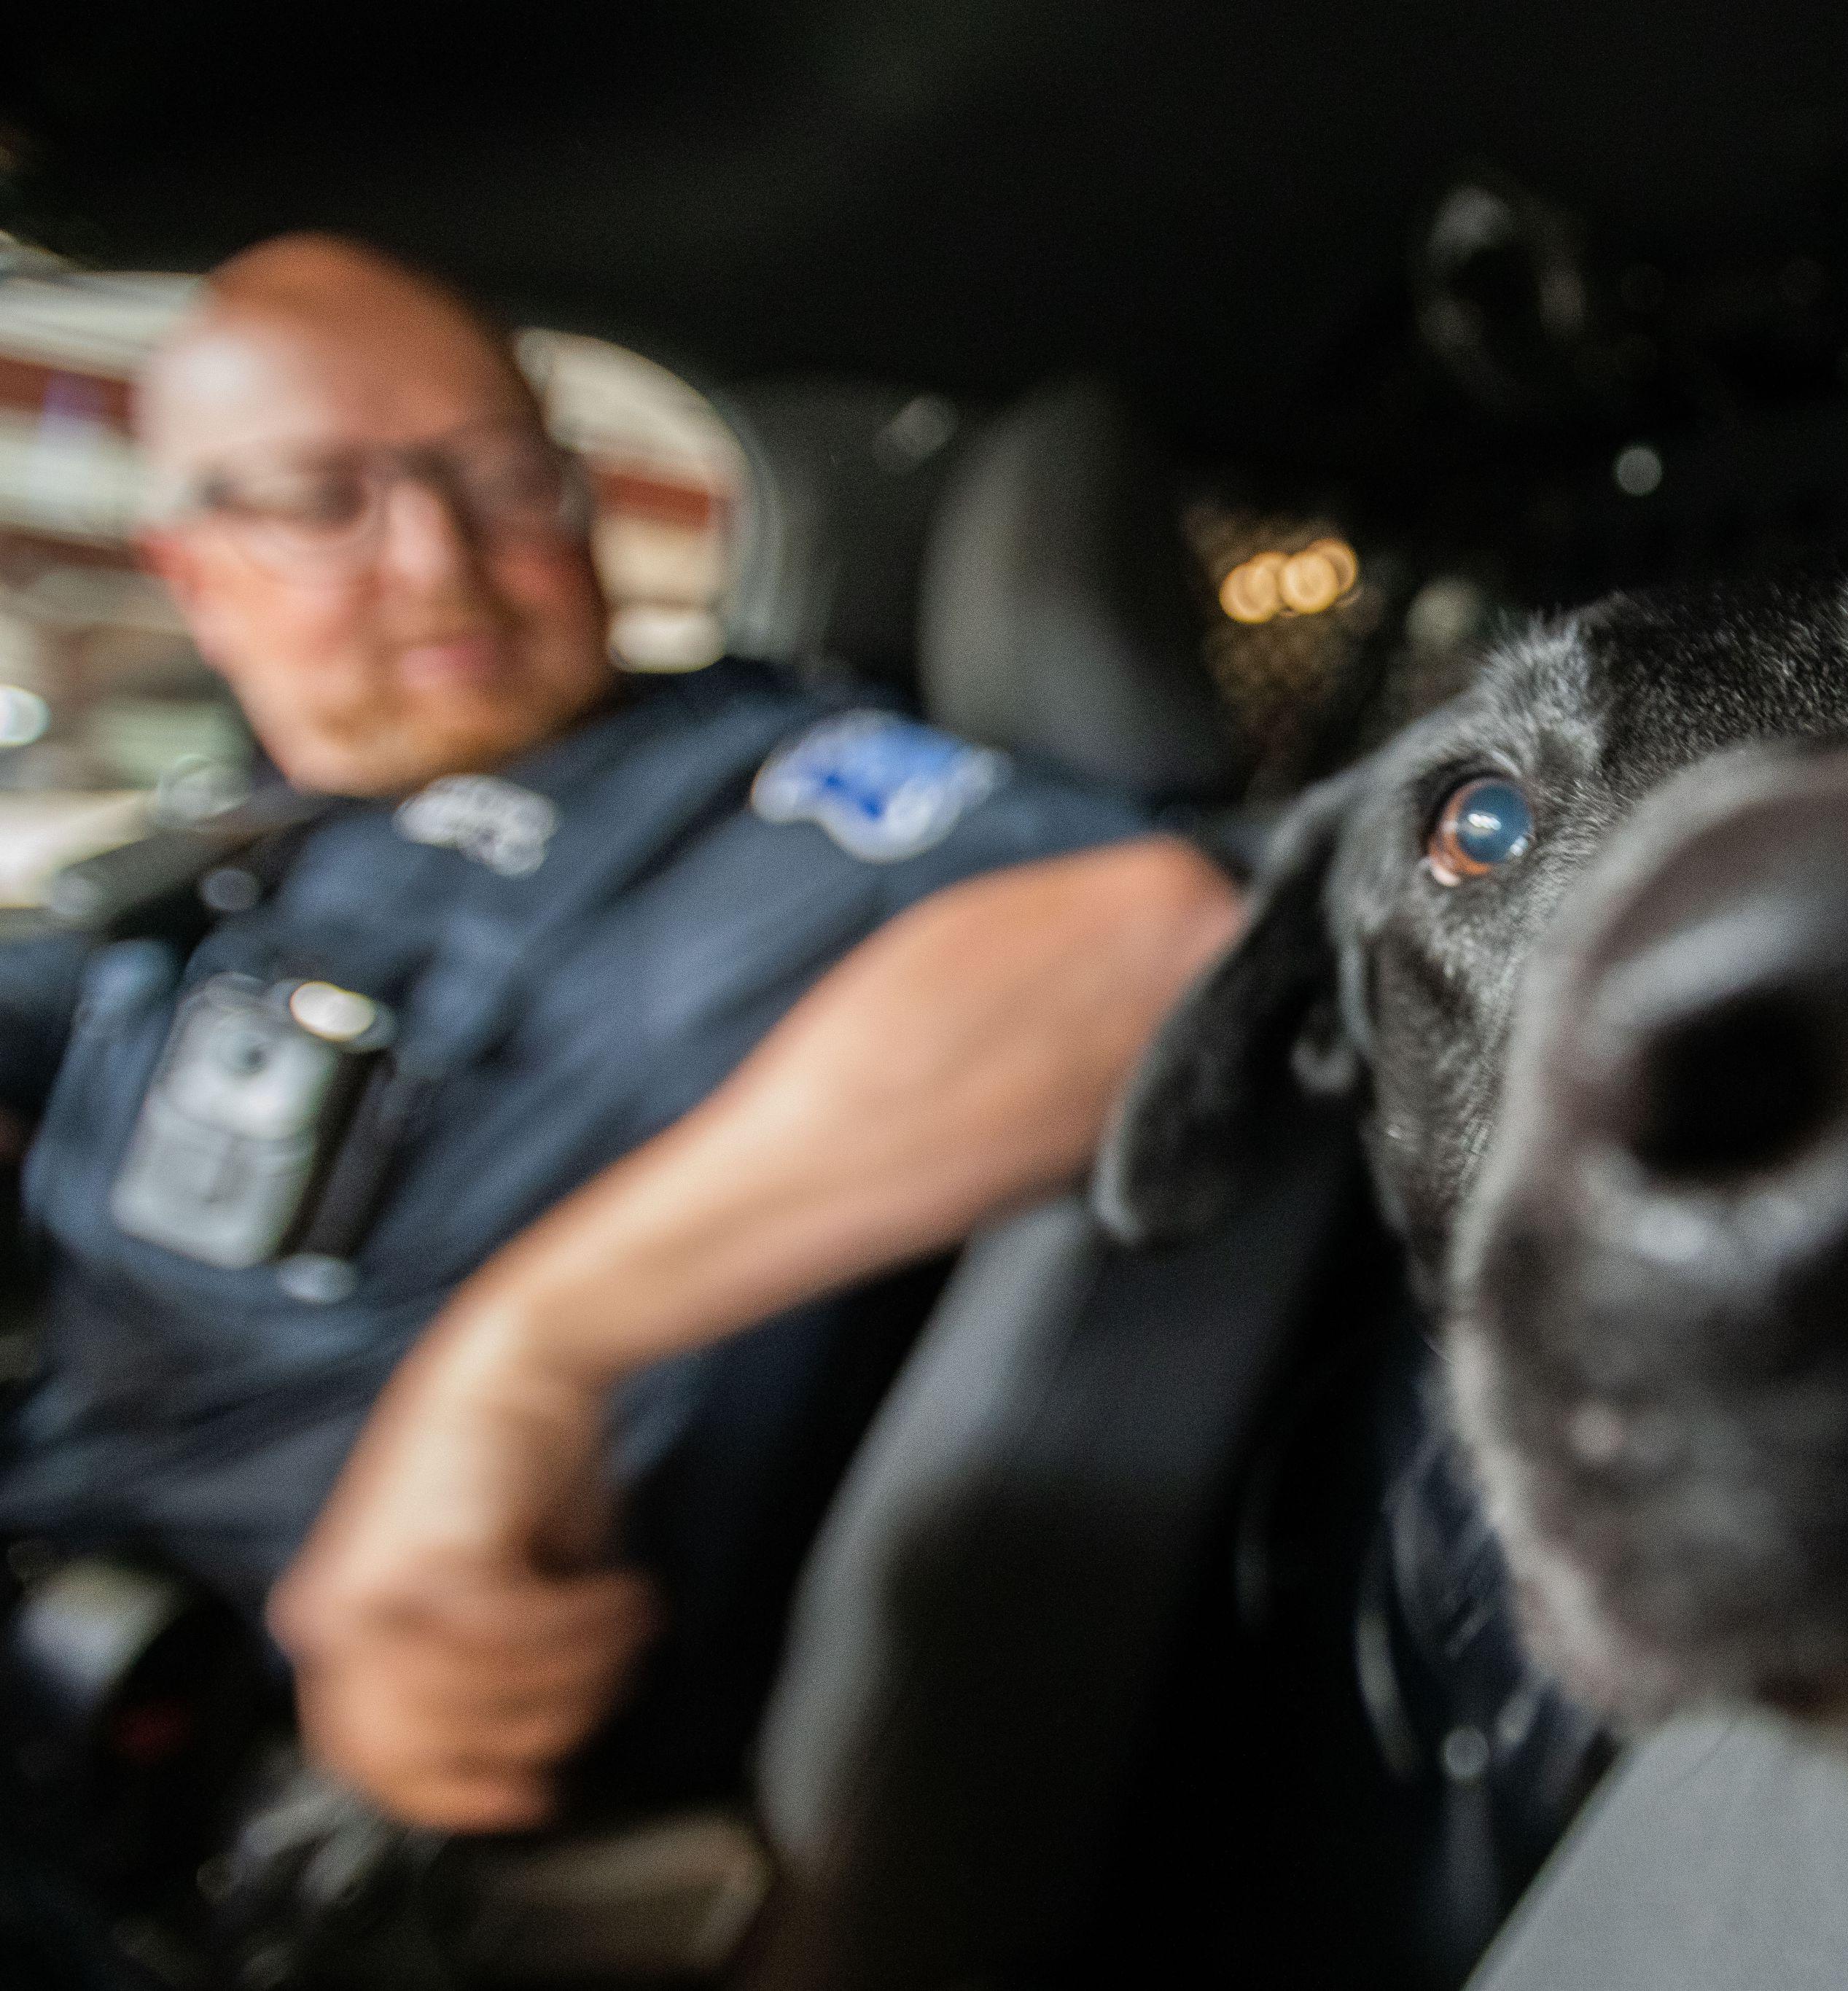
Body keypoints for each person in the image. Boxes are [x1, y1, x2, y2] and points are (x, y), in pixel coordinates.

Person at [0, 235, 1239, 1832]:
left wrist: (516, 1360)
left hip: (265, 1769)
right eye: (325, 500)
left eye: (501, 476)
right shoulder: (239, 842)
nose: (439, 560)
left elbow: (1149, 936)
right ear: (194, 569)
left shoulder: (777, 792)